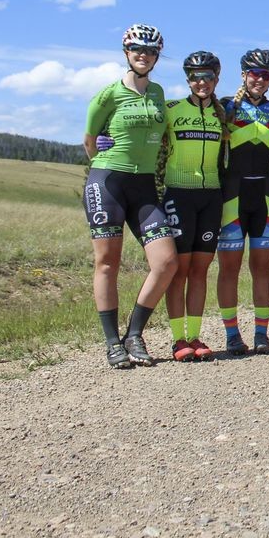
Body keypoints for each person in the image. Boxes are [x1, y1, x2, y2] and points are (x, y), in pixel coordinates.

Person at [83, 23, 178, 368]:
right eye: (137, 49)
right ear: (126, 52)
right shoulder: (108, 95)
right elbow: (90, 140)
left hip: (144, 187)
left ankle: (134, 334)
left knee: (166, 261)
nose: (143, 54)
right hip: (108, 181)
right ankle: (112, 343)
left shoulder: (157, 92)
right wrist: (102, 158)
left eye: (150, 51)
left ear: (156, 57)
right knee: (107, 262)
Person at [216, 49, 269, 355]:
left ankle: (261, 334)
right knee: (229, 268)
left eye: (266, 75)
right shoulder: (227, 107)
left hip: (266, 197)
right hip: (233, 197)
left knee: (263, 268)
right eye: (255, 73)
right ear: (244, 74)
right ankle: (232, 334)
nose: (260, 79)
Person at [162, 51, 227, 362]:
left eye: (208, 76)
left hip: (211, 196)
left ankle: (196, 336)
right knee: (179, 270)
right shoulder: (172, 110)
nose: (202, 82)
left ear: (216, 78)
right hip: (179, 194)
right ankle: (177, 339)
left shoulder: (222, 112)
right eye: (195, 77)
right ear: (187, 79)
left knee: (200, 270)